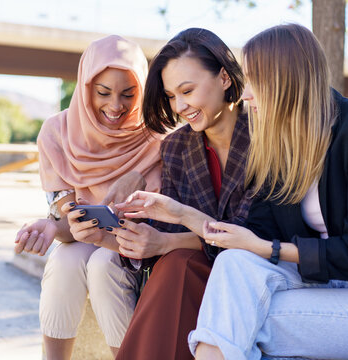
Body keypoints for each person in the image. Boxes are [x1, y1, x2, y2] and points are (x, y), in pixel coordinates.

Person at [118, 24, 348, 360]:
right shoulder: (278, 141)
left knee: (237, 324)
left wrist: (265, 248)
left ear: (285, 80)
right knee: (234, 265)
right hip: (320, 286)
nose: (245, 95)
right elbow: (255, 231)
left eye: (254, 82)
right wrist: (180, 214)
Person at [13, 35, 163, 360]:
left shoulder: (156, 138)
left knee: (102, 264)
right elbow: (70, 219)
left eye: (128, 93)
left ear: (144, 90)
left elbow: (157, 221)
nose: (115, 106)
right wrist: (53, 228)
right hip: (82, 240)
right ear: (85, 88)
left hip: (133, 246)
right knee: (64, 259)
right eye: (103, 93)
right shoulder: (57, 133)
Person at [111, 28, 253, 360]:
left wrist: (168, 242)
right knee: (175, 265)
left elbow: (254, 229)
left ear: (224, 78)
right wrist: (139, 234)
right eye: (172, 96)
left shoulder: (266, 136)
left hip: (252, 264)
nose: (180, 106)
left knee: (177, 264)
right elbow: (174, 232)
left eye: (187, 90)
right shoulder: (176, 146)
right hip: (199, 265)